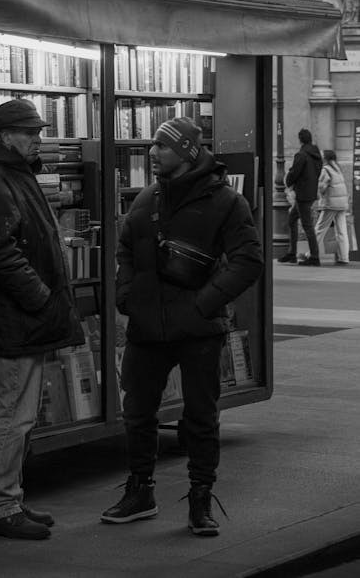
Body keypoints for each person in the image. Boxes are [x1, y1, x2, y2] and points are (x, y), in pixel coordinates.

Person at [101, 117, 263, 537]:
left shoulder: (226, 202)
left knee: (201, 418)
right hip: (147, 328)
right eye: (152, 145)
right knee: (137, 413)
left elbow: (249, 262)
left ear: (188, 151)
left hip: (198, 331)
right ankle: (140, 492)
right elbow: (126, 248)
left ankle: (200, 500)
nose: (153, 153)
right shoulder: (147, 199)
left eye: (162, 146)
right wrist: (126, 297)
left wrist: (203, 304)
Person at [0, 99, 84, 540]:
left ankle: (10, 498)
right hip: (15, 316)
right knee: (13, 413)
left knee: (22, 414)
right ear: (3, 136)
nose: (38, 140)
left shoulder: (11, 173)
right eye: (29, 133)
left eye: (38, 132)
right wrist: (39, 296)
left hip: (25, 316)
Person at [278, 128, 322, 266]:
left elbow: (294, 173)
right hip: (310, 193)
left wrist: (288, 182)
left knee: (307, 225)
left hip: (302, 194)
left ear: (300, 140)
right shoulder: (316, 155)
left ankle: (314, 257)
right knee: (292, 220)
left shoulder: (301, 155)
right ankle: (292, 253)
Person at [315, 150, 350, 265]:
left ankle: (311, 253)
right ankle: (344, 257)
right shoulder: (337, 168)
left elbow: (321, 187)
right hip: (341, 204)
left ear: (326, 158)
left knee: (319, 228)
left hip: (331, 204)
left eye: (322, 156)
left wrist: (320, 198)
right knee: (342, 231)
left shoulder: (326, 170)